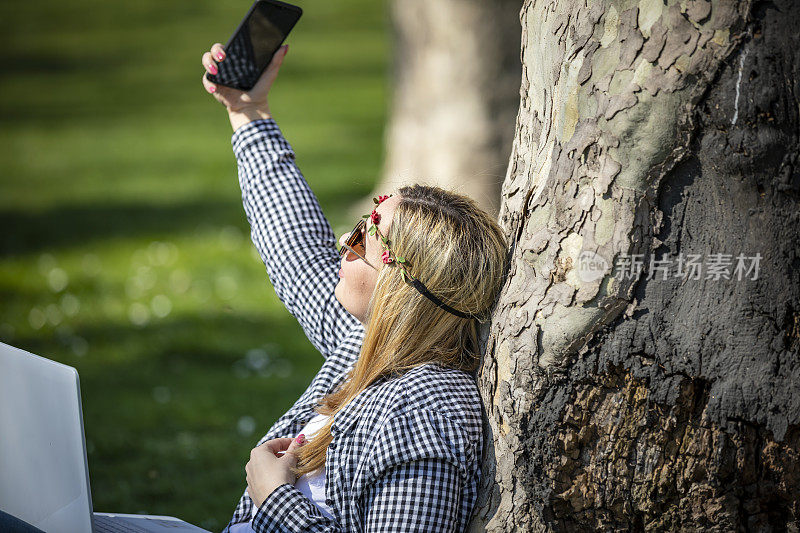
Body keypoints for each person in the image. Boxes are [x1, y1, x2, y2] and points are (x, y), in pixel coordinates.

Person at [201, 41, 509, 532]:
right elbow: (295, 247)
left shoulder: (425, 411)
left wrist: (276, 498)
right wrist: (247, 110)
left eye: (366, 237)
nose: (345, 241)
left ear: (400, 287)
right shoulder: (366, 343)